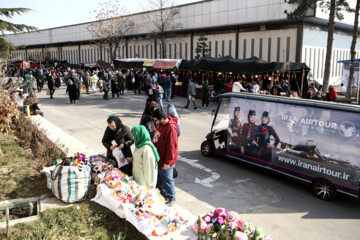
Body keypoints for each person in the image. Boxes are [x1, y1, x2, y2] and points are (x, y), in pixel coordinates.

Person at [152, 109, 178, 206]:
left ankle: (171, 197)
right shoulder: (160, 125)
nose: (154, 122)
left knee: (167, 179)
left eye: (155, 120)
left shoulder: (170, 129)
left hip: (165, 161)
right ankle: (164, 195)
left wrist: (167, 162)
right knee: (160, 179)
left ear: (162, 119)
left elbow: (171, 147)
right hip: (159, 159)